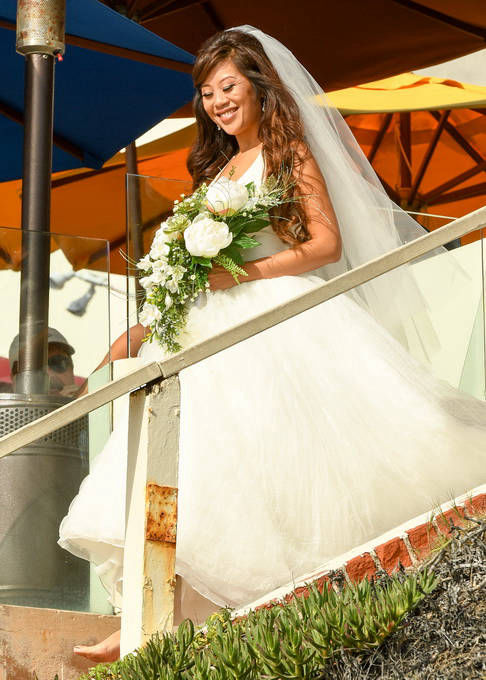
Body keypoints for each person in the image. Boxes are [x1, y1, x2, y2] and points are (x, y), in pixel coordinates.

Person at [60, 27, 486, 663]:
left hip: (269, 318)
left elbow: (325, 246)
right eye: (206, 93)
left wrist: (239, 273)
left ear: (259, 86)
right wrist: (156, 315)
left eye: (228, 87)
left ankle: (160, 620)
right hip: (205, 326)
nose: (217, 102)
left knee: (236, 465)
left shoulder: (291, 154)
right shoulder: (217, 167)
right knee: (188, 462)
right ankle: (152, 615)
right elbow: (193, 264)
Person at [9, 327, 78, 398]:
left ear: (72, 367)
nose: (49, 375)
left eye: (58, 362)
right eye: (34, 367)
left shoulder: (88, 403)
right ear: (14, 380)